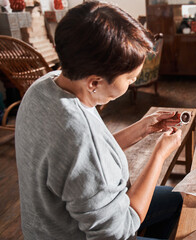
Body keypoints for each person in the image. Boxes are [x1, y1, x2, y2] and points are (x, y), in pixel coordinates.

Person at [15, 1, 183, 240]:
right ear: (94, 82)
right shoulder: (78, 136)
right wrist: (159, 155)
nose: (133, 83)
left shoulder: (47, 85)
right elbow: (121, 229)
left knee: (178, 199)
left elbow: (85, 159)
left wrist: (144, 127)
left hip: (42, 227)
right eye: (130, 78)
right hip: (76, 234)